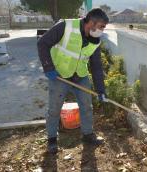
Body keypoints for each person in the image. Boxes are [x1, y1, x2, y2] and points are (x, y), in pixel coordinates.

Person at [37, 8, 109, 154]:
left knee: (87, 106)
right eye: (101, 26)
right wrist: (48, 67)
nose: (102, 30)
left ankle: (88, 135)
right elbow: (42, 43)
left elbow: (96, 66)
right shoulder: (66, 26)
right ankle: (52, 139)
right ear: (92, 22)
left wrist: (100, 90)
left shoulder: (95, 41)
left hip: (80, 76)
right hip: (59, 75)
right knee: (54, 109)